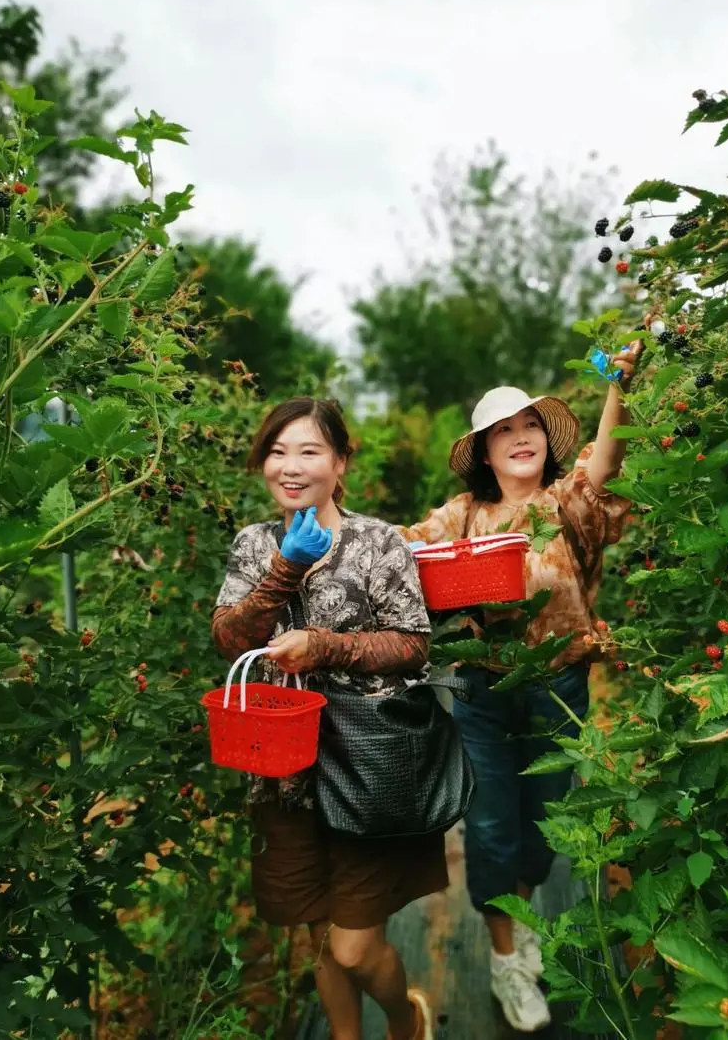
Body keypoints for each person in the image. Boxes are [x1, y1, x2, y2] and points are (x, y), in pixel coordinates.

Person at [400, 343, 642, 1033]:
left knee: (542, 826)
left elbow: (606, 464)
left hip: (558, 686)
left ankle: (525, 920)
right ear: (483, 450)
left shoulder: (568, 504)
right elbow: (405, 546)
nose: (519, 437)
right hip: (482, 689)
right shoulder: (461, 517)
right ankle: (507, 958)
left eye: (528, 425)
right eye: (502, 430)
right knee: (489, 828)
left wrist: (618, 388)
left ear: (544, 440)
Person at [211, 397, 441, 1040]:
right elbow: (230, 639)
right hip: (282, 769)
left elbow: (414, 642)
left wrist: (326, 646)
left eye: (309, 451)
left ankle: (404, 1018)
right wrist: (284, 566)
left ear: (340, 463)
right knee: (319, 933)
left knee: (354, 947)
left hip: (363, 762)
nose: (290, 466)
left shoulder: (379, 543)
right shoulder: (254, 544)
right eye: (277, 452)